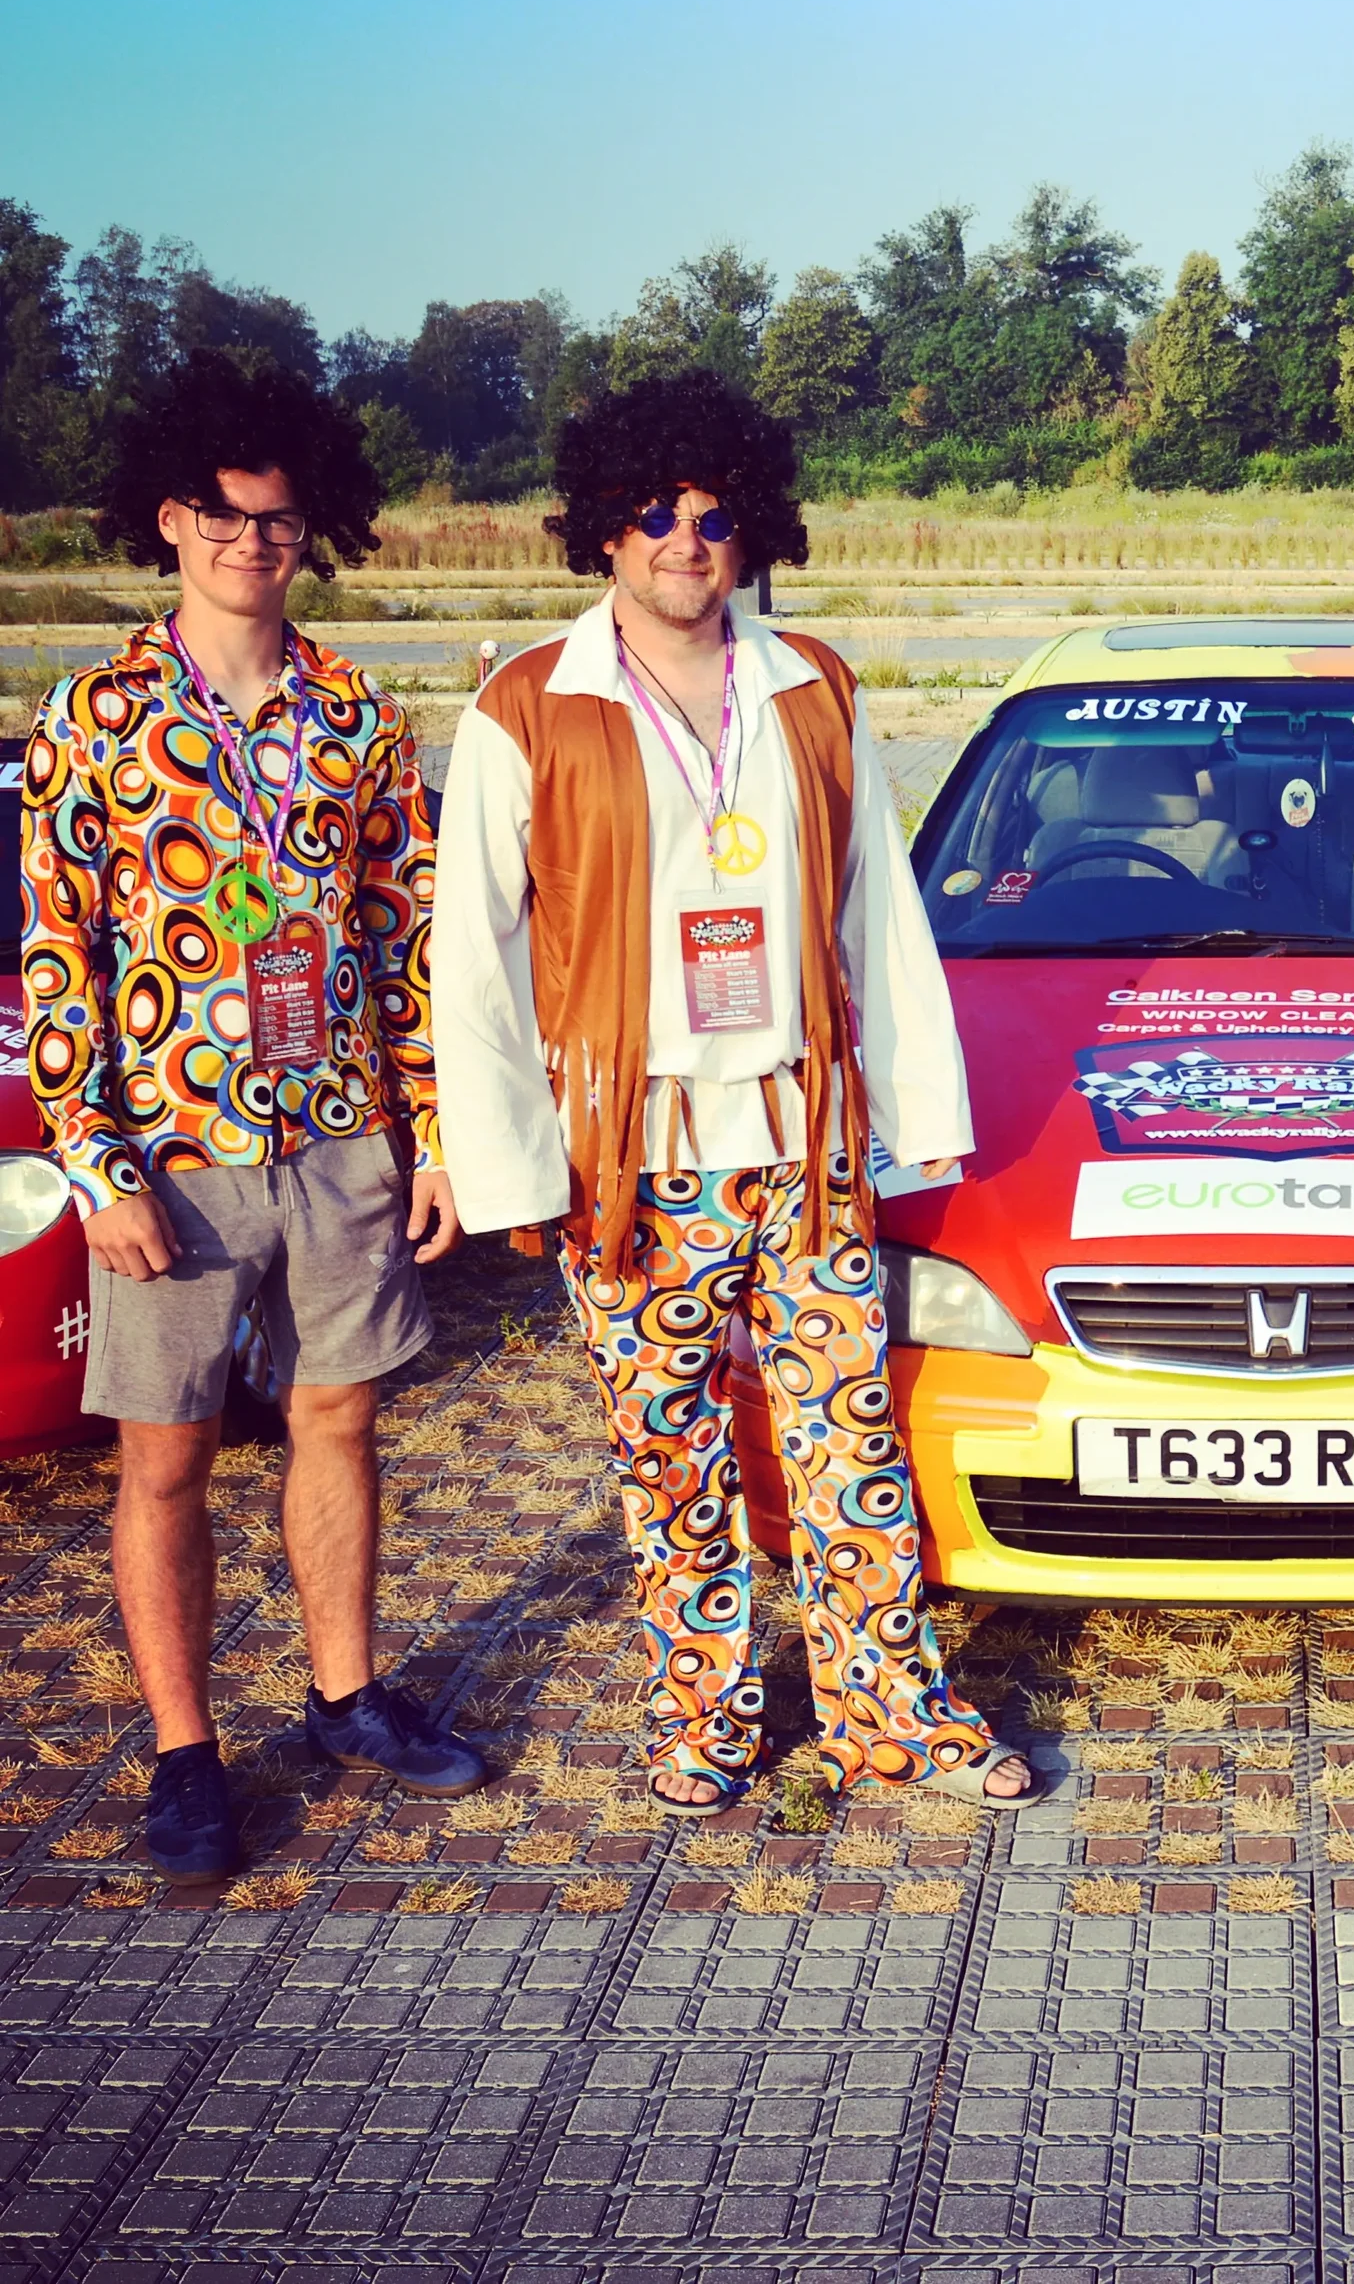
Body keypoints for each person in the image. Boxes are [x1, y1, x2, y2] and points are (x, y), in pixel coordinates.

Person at [430, 370, 1026, 1814]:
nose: (684, 538)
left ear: (750, 526)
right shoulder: (527, 707)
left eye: (712, 513)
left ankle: (891, 1718)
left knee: (847, 1450)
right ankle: (704, 1720)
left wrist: (912, 1118)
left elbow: (879, 912)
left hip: (806, 1144)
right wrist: (517, 1170)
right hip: (634, 1161)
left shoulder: (814, 686)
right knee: (671, 1463)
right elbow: (476, 961)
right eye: (651, 512)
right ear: (602, 530)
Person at [19, 350, 484, 1880]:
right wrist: (98, 1165)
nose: (250, 545)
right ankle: (185, 1755)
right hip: (175, 1151)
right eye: (221, 518)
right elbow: (56, 954)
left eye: (279, 522)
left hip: (340, 1129)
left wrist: (430, 1128)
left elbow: (398, 930)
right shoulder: (91, 715)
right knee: (164, 1456)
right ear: (169, 518)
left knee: (337, 1417)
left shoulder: (356, 713)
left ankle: (347, 1693)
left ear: (312, 528)